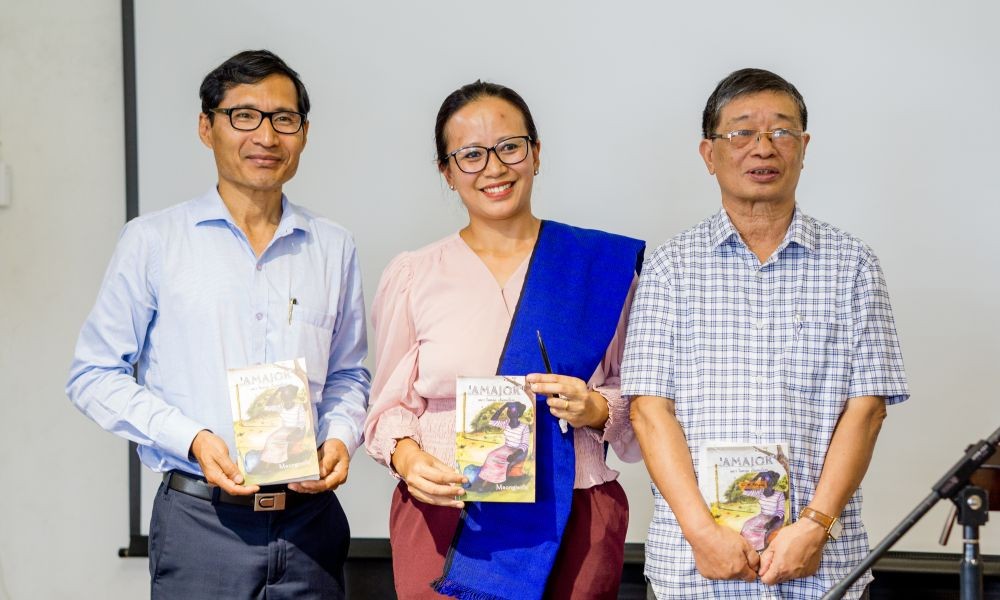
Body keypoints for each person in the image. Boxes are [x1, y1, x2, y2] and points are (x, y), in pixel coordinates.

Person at [66, 50, 370, 599]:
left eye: (284, 119)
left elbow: (350, 374)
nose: (267, 136)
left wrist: (341, 438)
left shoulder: (333, 246)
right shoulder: (153, 241)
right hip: (200, 524)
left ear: (304, 134)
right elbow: (93, 375)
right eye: (244, 116)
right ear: (207, 127)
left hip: (311, 524)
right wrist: (194, 440)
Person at [622, 68, 909, 599]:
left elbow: (866, 409)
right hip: (695, 566)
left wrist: (815, 525)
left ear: (804, 147)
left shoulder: (852, 265)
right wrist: (703, 533)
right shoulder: (669, 267)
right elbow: (648, 410)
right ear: (709, 155)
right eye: (741, 133)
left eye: (781, 131)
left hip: (820, 565)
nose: (763, 147)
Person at [364, 81, 645, 599]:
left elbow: (640, 394)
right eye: (470, 155)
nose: (493, 168)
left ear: (536, 154)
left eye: (509, 147)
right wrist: (407, 459)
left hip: (575, 511)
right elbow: (386, 406)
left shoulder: (597, 269)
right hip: (450, 515)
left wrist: (596, 407)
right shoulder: (413, 274)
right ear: (446, 172)